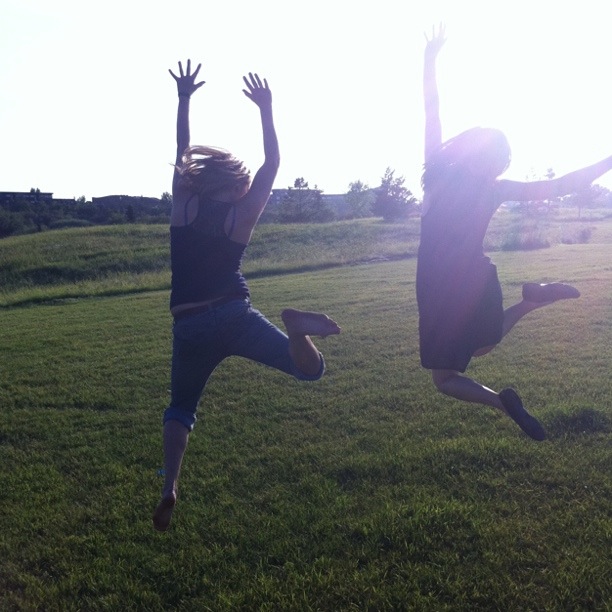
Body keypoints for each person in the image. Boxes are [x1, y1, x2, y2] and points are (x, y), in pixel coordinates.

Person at [153, 60, 341, 531]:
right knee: (310, 370)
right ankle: (297, 328)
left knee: (181, 408)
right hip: (235, 315)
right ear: (238, 184)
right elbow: (272, 165)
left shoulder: (185, 203)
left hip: (189, 324)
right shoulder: (243, 213)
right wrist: (266, 109)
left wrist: (183, 99)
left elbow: (181, 151)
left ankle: (170, 485)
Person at [418, 25, 612, 441]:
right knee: (483, 344)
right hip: (477, 278)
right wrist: (607, 161)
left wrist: (429, 60)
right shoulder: (494, 190)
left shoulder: (437, 177)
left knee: (444, 377)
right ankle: (531, 300)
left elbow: (432, 113)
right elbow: (560, 185)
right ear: (499, 163)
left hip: (437, 284)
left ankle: (500, 401)